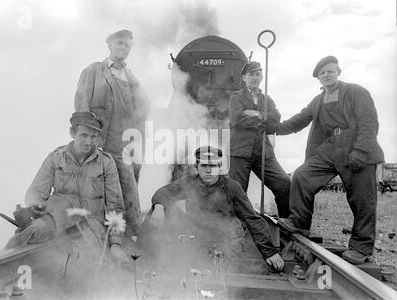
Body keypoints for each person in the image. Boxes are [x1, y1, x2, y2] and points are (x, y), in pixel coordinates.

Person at [275, 56, 384, 264]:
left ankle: (361, 248)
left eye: (330, 71)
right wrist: (275, 128)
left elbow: (369, 123)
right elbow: (300, 120)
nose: (326, 75)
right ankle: (299, 221)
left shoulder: (356, 92)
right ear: (318, 78)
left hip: (357, 145)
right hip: (331, 146)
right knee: (302, 175)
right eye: (322, 73)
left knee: (362, 200)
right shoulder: (318, 100)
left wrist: (360, 151)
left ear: (338, 72)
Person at [5, 112, 128, 266]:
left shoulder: (106, 163)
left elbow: (115, 207)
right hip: (57, 220)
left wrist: (115, 244)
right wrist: (36, 209)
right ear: (72, 133)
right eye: (84, 135)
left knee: (84, 266)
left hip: (91, 227)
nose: (88, 141)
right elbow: (35, 193)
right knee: (27, 234)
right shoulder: (56, 158)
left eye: (93, 136)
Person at [149, 146, 285, 271]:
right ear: (197, 167)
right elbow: (165, 192)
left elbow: (252, 219)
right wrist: (159, 208)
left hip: (223, 240)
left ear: (219, 167)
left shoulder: (232, 187)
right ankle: (146, 259)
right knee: (158, 208)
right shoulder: (190, 182)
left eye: (213, 166)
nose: (208, 170)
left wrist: (270, 252)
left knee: (218, 266)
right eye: (204, 166)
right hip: (195, 236)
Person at [74, 29, 150, 238]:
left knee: (129, 191)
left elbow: (144, 110)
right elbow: (81, 107)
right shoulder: (94, 71)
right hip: (100, 140)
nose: (122, 48)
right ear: (109, 46)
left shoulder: (131, 78)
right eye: (119, 43)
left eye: (127, 45)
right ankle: (96, 237)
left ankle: (132, 239)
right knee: (97, 190)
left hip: (126, 144)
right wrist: (87, 139)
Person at [228, 61, 291, 218]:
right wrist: (263, 119)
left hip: (263, 151)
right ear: (244, 77)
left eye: (258, 74)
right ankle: (236, 226)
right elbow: (237, 119)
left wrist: (256, 114)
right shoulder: (236, 97)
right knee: (237, 191)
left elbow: (275, 119)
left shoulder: (267, 99)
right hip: (241, 151)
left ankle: (286, 223)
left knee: (284, 183)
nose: (256, 78)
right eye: (252, 74)